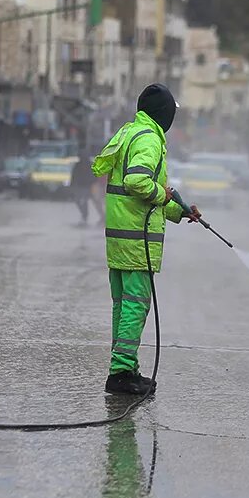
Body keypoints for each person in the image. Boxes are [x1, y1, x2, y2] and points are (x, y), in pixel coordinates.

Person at [92, 84, 201, 395]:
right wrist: (161, 193)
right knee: (136, 306)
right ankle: (120, 372)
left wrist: (180, 212)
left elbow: (139, 192)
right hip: (136, 242)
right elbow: (137, 181)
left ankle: (125, 367)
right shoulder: (150, 140)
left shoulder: (130, 133)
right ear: (164, 114)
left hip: (119, 239)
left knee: (123, 307)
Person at [70, 151, 102, 225]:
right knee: (79, 201)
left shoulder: (90, 165)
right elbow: (74, 176)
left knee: (95, 202)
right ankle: (85, 215)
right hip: (81, 187)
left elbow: (95, 175)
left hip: (90, 186)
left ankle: (101, 217)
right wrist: (72, 186)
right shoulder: (78, 165)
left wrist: (94, 184)